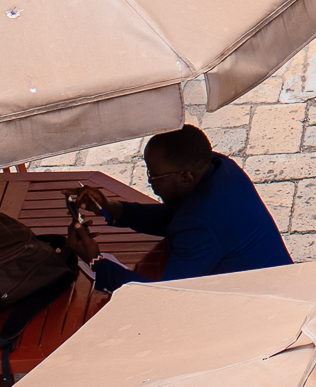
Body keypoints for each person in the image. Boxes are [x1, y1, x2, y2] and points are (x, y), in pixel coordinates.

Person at [64, 125, 292, 292]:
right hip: (283, 282)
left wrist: (95, 261)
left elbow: (165, 299)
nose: (150, 181)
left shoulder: (197, 226)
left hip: (262, 307)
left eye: (154, 175)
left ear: (185, 177)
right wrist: (111, 208)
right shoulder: (220, 168)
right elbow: (177, 217)